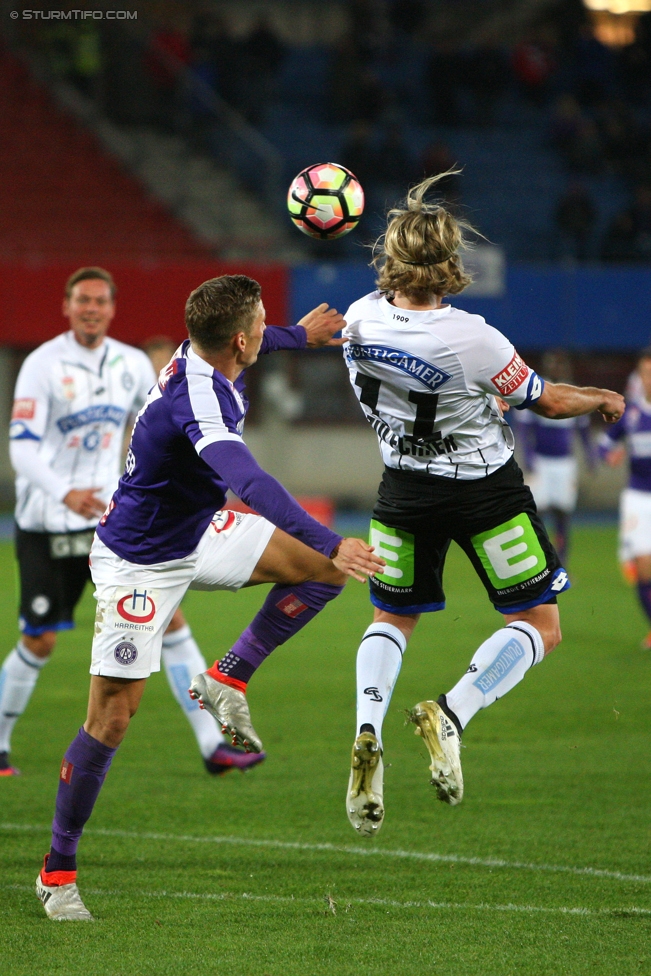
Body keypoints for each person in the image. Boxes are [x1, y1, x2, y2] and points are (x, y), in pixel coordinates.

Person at [35, 274, 384, 921]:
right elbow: (248, 479)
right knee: (110, 720)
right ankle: (57, 873)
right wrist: (331, 539)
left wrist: (298, 336)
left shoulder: (209, 352)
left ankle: (228, 676)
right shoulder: (198, 399)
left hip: (196, 532)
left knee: (319, 573)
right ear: (237, 342)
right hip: (137, 563)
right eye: (258, 329)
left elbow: (259, 341)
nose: (261, 335)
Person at [341, 174, 625, 836]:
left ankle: (365, 725)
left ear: (390, 260)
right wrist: (603, 399)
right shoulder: (472, 336)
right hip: (483, 492)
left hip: (402, 489)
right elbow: (547, 400)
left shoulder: (357, 319)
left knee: (391, 615)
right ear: (449, 263)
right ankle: (452, 710)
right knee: (541, 623)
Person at [517, 350, 594, 564]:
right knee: (537, 512)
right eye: (554, 364)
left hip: (565, 463)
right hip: (542, 462)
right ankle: (541, 559)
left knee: (563, 513)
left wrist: (590, 456)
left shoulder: (574, 394)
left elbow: (583, 430)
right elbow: (524, 428)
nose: (558, 368)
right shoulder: (539, 390)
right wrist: (528, 456)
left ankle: (563, 561)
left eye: (561, 365)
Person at [600, 347, 651, 648]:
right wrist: (610, 454)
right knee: (643, 568)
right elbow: (603, 444)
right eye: (646, 374)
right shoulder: (630, 414)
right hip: (639, 498)